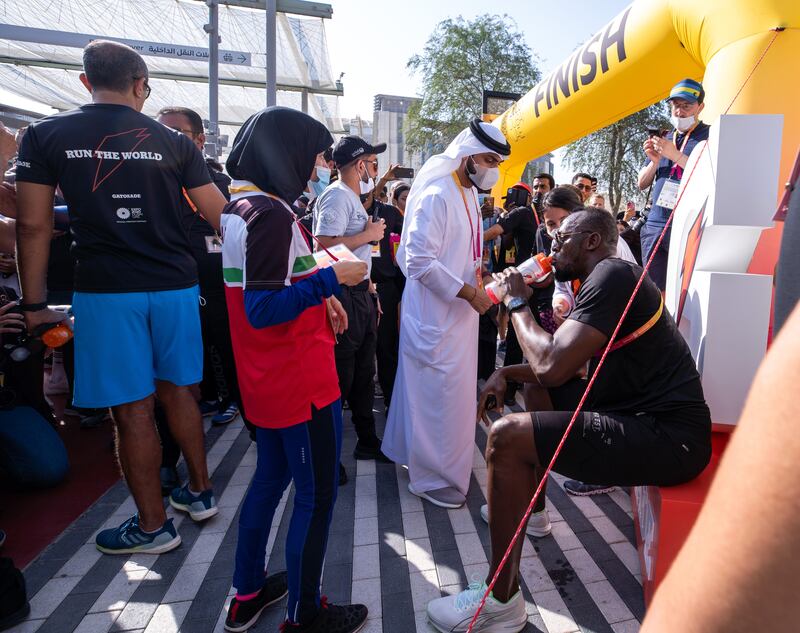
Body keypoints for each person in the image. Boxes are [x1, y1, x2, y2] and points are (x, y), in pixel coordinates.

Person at [427, 208, 712, 631]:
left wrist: (517, 299)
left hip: (669, 439)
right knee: (538, 391)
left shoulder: (612, 276)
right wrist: (506, 372)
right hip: (639, 416)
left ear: (592, 241)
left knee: (506, 436)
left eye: (561, 237)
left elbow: (551, 365)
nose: (551, 245)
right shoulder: (604, 278)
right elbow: (566, 367)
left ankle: (499, 599)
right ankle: (534, 511)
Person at [14, 40, 227, 554]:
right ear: (140, 85)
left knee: (132, 411)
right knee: (181, 391)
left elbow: (33, 225)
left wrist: (34, 304)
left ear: (85, 82)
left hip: (108, 291)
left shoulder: (45, 135)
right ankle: (200, 493)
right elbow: (222, 215)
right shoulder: (175, 142)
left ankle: (153, 528)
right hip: (177, 287)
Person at [220, 106, 368, 633]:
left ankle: (248, 590)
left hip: (266, 379)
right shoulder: (273, 217)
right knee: (316, 495)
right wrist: (336, 279)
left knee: (270, 480)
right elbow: (264, 310)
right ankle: (305, 613)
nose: (317, 167)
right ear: (284, 152)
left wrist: (317, 288)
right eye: (313, 155)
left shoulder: (242, 208)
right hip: (300, 382)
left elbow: (268, 285)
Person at [382, 118, 510, 509]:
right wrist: (471, 293)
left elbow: (463, 251)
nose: (493, 169)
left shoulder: (469, 195)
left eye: (498, 162)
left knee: (450, 395)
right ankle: (429, 478)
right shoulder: (437, 193)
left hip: (459, 315)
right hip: (436, 315)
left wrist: (480, 278)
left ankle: (440, 461)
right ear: (468, 155)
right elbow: (419, 260)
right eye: (489, 159)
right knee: (434, 396)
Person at [153, 106, 243, 496]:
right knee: (172, 381)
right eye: (161, 131)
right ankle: (166, 461)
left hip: (216, 287)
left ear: (199, 140)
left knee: (226, 352)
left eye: (177, 133)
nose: (166, 139)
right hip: (168, 291)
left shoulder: (220, 184)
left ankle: (240, 415)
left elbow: (237, 231)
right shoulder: (148, 181)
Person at [313, 136, 390, 465]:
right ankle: (327, 456)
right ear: (360, 165)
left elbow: (354, 251)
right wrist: (369, 235)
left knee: (361, 374)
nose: (375, 169)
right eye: (373, 163)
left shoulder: (351, 196)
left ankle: (367, 440)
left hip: (359, 294)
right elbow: (322, 247)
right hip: (342, 295)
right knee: (340, 378)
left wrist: (370, 285)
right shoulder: (337, 196)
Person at [638, 78, 710, 290]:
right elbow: (641, 183)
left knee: (685, 293)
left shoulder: (709, 134)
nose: (680, 111)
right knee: (654, 292)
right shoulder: (664, 137)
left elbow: (710, 175)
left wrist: (675, 155)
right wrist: (655, 162)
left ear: (700, 107)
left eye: (686, 106)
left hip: (689, 224)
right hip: (655, 224)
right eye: (676, 105)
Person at [371, 182, 407, 409]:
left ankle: (390, 398)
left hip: (387, 290)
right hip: (354, 287)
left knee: (386, 347)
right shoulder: (346, 206)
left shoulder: (391, 214)